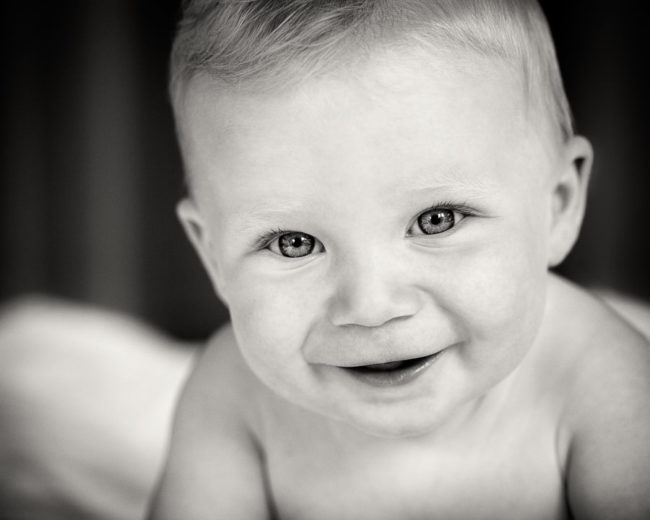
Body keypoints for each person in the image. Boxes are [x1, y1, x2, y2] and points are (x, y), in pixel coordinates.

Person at [146, 1, 650, 518]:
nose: (370, 305)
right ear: (212, 255)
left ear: (557, 206)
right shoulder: (233, 393)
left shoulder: (608, 386)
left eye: (438, 220)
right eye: (292, 243)